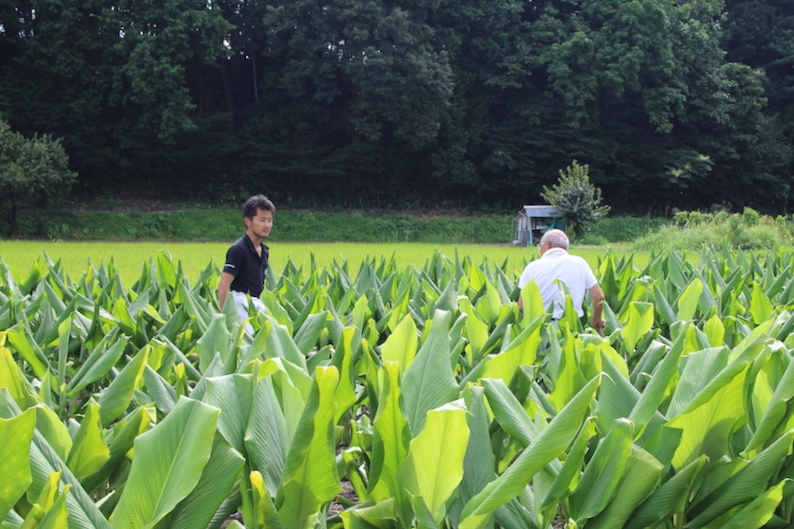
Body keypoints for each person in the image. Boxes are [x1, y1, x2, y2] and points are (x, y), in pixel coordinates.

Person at [517, 229, 605, 332]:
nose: (539, 249)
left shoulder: (532, 267)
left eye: (540, 245)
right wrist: (596, 320)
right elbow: (599, 297)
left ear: (548, 245)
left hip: (541, 329)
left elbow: (521, 306)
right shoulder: (580, 263)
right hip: (572, 328)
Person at [218, 195, 275, 329]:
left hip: (257, 303)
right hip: (240, 303)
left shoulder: (264, 250)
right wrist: (225, 316)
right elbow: (224, 283)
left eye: (269, 220)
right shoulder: (238, 250)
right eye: (262, 220)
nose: (267, 225)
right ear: (248, 221)